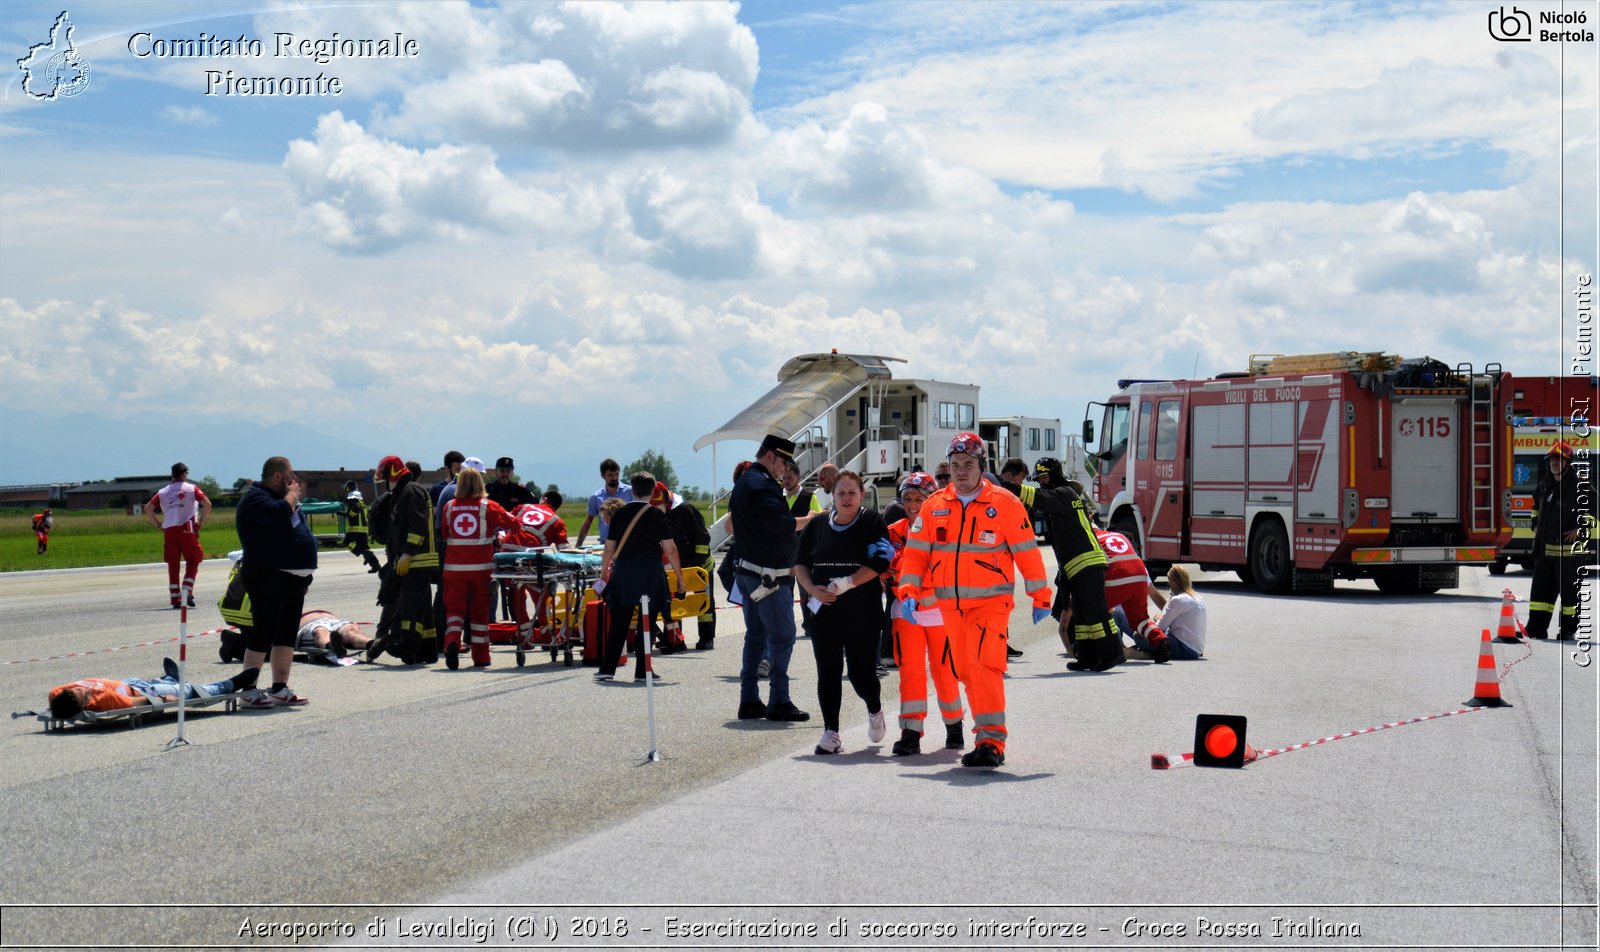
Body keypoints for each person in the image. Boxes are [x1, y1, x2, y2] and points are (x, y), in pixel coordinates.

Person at [895, 432, 1052, 768]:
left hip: (989, 605)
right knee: (965, 670)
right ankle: (984, 735)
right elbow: (916, 555)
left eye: (968, 464)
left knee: (984, 667)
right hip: (948, 607)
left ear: (982, 466)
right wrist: (907, 590)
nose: (961, 471)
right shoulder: (935, 505)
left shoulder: (1005, 504)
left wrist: (1040, 594)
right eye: (955, 465)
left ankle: (992, 741)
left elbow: (1027, 552)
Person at [794, 470, 893, 755]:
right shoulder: (817, 525)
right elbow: (800, 564)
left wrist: (847, 583)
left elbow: (880, 561)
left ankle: (874, 709)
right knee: (828, 672)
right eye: (841, 493)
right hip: (824, 613)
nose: (846, 498)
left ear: (861, 495)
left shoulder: (872, 521)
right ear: (832, 496)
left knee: (861, 675)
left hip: (862, 613)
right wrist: (813, 589)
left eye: (852, 493)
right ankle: (831, 732)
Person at [884, 472, 965, 755]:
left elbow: (933, 568)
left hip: (940, 612)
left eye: (920, 498)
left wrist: (896, 561)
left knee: (946, 672)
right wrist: (895, 564)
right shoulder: (893, 530)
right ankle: (911, 732)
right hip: (905, 612)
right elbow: (885, 570)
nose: (913, 504)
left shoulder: (946, 527)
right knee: (910, 672)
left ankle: (955, 726)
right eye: (907, 498)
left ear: (932, 498)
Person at [732, 434, 810, 722]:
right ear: (771, 457)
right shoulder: (762, 486)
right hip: (769, 578)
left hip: (750, 572)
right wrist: (811, 519)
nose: (785, 470)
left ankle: (750, 699)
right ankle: (778, 699)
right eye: (783, 463)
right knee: (782, 636)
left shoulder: (747, 481)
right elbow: (780, 526)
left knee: (755, 637)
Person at [1028, 456, 1124, 673]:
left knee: (1096, 611)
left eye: (1043, 477)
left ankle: (1112, 653)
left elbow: (1035, 497)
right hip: (1076, 566)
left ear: (1054, 475)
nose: (1041, 482)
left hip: (1087, 563)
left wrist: (1006, 488)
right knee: (1081, 616)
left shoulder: (1063, 493)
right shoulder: (1062, 498)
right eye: (1039, 479)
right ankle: (1087, 657)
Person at [235, 456, 317, 707]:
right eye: (290, 476)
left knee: (285, 635)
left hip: (290, 578)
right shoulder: (256, 499)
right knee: (263, 632)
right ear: (277, 477)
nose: (294, 482)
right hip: (266, 575)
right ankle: (247, 690)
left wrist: (305, 573)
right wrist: (292, 496)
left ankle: (279, 688)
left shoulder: (283, 500)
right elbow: (278, 515)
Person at [595, 472, 685, 682]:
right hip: (650, 573)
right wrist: (680, 577)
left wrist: (604, 571)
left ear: (632, 490)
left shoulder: (620, 514)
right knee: (647, 622)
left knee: (619, 622)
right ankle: (643, 670)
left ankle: (608, 668)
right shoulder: (657, 515)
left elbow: (609, 548)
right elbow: (670, 550)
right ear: (653, 491)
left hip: (625, 572)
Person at [438, 469, 520, 669]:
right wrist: (496, 533)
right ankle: (481, 656)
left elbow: (444, 532)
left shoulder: (449, 507)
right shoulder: (488, 506)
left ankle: (452, 642)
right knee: (480, 613)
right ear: (480, 484)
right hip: (481, 570)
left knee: (455, 611)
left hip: (454, 569)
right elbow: (515, 525)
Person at [372, 455, 440, 664]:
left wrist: (407, 554)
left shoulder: (410, 492)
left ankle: (408, 648)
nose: (384, 484)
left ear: (392, 475)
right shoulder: (403, 492)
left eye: (385, 479)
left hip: (416, 561)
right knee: (424, 610)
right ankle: (428, 650)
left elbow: (417, 526)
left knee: (411, 608)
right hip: (411, 560)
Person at [1527, 441, 1598, 640]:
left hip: (1570, 554)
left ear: (1568, 462)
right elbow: (1535, 505)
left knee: (1569, 597)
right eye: (1552, 460)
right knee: (1540, 594)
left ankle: (1568, 630)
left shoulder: (1579, 484)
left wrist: (1581, 527)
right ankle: (1536, 629)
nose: (1554, 463)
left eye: (1559, 459)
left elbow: (1596, 508)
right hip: (1545, 551)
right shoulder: (1546, 484)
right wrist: (1534, 523)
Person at [48, 658, 259, 720]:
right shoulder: (103, 702)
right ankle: (231, 684)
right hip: (147, 692)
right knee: (193, 692)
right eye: (85, 696)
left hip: (130, 682)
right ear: (86, 704)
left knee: (164, 682)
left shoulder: (59, 693)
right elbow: (137, 704)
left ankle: (169, 678)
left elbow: (56, 696)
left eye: (79, 690)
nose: (86, 690)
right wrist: (165, 701)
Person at [1091, 525, 1171, 663]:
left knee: (1095, 611)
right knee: (1141, 620)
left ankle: (1106, 650)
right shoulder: (1118, 536)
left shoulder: (1091, 539)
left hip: (1117, 576)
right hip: (1140, 575)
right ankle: (1160, 641)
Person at [660, 480, 717, 650]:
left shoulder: (687, 510)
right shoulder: (662, 513)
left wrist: (697, 566)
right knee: (674, 603)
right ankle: (674, 638)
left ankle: (707, 638)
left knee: (705, 604)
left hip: (700, 567)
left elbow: (702, 539)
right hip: (677, 567)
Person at [147, 462, 212, 608]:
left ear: (172, 475)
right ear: (184, 474)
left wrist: (159, 525)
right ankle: (187, 591)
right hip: (187, 527)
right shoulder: (191, 488)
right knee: (194, 559)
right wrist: (201, 522)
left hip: (169, 529)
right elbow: (207, 503)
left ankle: (175, 598)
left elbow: (147, 509)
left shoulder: (162, 492)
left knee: (173, 564)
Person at [1147, 566, 1206, 659]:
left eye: (1169, 580)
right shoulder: (1197, 597)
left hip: (1184, 648)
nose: (1169, 584)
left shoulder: (1177, 600)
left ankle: (1151, 652)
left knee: (1138, 636)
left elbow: (1160, 628)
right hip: (1196, 649)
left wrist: (1153, 621)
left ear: (1174, 581)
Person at [576, 458, 633, 547]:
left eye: (617, 474)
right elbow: (588, 523)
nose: (614, 478)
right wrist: (578, 546)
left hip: (627, 542)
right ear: (603, 476)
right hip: (605, 543)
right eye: (610, 475)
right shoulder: (596, 497)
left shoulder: (631, 492)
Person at [342, 481, 381, 573]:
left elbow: (356, 509)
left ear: (347, 488)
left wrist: (349, 515)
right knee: (364, 546)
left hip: (356, 527)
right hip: (364, 528)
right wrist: (345, 514)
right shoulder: (360, 498)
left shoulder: (351, 497)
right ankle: (376, 566)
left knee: (346, 542)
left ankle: (365, 552)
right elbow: (359, 510)